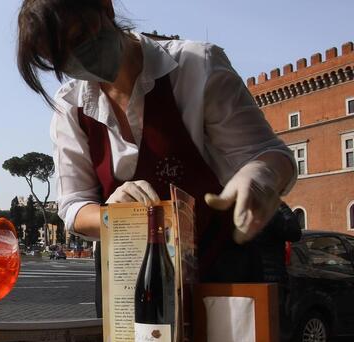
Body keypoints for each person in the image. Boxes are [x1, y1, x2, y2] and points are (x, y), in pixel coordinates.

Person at [16, 0, 297, 316]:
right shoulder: (70, 107)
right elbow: (74, 206)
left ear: (106, 8)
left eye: (80, 37)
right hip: (126, 286)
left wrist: (259, 175)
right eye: (59, 58)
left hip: (219, 274)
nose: (76, 57)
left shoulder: (196, 67)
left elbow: (269, 154)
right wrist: (112, 215)